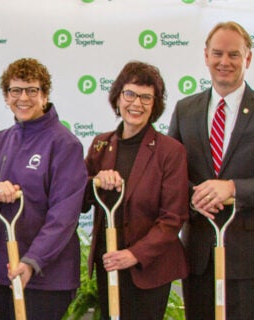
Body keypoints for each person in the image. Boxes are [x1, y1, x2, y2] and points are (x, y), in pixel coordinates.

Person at [168, 21, 254, 319]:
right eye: (217, 53)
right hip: (199, 252)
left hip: (247, 256)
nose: (224, 62)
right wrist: (195, 195)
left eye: (234, 55)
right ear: (205, 56)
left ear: (248, 58)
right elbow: (171, 177)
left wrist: (232, 188)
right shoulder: (184, 109)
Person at [0, 58, 87, 320]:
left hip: (47, 275)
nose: (23, 98)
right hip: (5, 268)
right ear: (6, 96)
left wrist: (31, 261)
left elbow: (64, 216)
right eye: (15, 91)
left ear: (44, 95)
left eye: (32, 90)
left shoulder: (65, 144)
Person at [83, 61, 189, 319]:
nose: (136, 104)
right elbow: (82, 199)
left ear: (155, 104)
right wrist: (96, 181)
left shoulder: (170, 151)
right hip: (109, 261)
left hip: (149, 268)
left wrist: (134, 255)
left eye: (146, 97)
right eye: (130, 94)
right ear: (118, 97)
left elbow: (172, 217)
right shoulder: (100, 144)